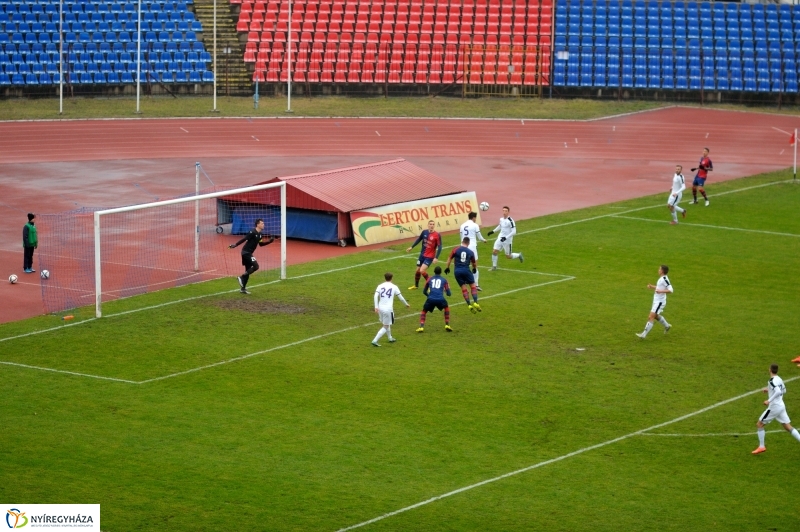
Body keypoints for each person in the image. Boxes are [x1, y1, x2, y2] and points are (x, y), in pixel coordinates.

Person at [752, 364, 800, 454]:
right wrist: (769, 390)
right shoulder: (779, 379)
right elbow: (783, 390)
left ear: (770, 369)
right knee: (788, 427)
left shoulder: (771, 381)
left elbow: (778, 391)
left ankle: (761, 447)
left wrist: (769, 400)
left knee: (759, 424)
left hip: (774, 407)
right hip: (781, 405)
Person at [228, 218, 274, 294]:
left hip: (249, 253)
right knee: (256, 266)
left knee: (248, 270)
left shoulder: (260, 235)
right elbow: (244, 239)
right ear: (258, 224)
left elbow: (261, 244)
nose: (263, 225)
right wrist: (235, 245)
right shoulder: (252, 232)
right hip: (246, 252)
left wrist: (269, 242)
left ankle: (243, 289)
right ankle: (241, 277)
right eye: (262, 223)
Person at [444, 237, 481, 314]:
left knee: (463, 288)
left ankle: (469, 305)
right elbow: (474, 263)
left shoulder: (455, 249)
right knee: (473, 286)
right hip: (466, 270)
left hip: (457, 271)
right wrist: (474, 269)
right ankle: (475, 302)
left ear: (462, 242)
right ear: (468, 243)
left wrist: (447, 268)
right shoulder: (470, 252)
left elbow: (449, 258)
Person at [373, 272, 410, 346]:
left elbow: (375, 296)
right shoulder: (394, 287)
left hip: (380, 308)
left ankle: (390, 338)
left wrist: (376, 306)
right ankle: (375, 340)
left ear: (385, 278)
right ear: (392, 278)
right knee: (386, 326)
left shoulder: (380, 286)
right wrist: (406, 304)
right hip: (388, 309)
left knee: (386, 323)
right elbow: (401, 298)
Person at [636, 265, 673, 339]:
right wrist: (652, 287)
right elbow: (660, 287)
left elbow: (671, 290)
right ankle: (667, 326)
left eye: (659, 269)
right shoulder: (661, 279)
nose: (658, 270)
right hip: (656, 301)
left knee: (650, 317)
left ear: (662, 271)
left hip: (660, 302)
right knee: (655, 316)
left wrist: (660, 291)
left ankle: (643, 334)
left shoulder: (665, 279)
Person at [406, 220, 442, 290]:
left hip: (430, 256)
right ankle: (416, 286)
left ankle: (431, 285)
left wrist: (436, 257)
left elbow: (440, 246)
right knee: (417, 271)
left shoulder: (437, 235)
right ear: (428, 225)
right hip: (422, 255)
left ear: (434, 225)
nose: (431, 225)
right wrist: (412, 247)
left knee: (422, 270)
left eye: (433, 224)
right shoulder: (424, 232)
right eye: (430, 224)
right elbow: (419, 239)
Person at [416, 266, 453, 333]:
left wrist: (429, 296)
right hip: (440, 299)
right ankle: (447, 325)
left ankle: (421, 327)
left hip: (430, 298)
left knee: (424, 311)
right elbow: (449, 294)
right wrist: (446, 290)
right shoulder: (444, 280)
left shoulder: (429, 279)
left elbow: (424, 291)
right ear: (441, 272)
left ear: (434, 272)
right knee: (446, 308)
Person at [487, 206, 523, 270]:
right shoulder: (501, 219)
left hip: (507, 241)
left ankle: (518, 255)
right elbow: (500, 226)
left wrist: (505, 238)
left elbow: (514, 231)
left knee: (508, 256)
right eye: (503, 211)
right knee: (494, 251)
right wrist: (493, 231)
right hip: (500, 238)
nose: (504, 212)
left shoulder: (510, 221)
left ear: (508, 212)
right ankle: (494, 267)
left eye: (506, 211)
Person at [459, 212, 487, 290]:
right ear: (474, 218)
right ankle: (476, 284)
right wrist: (484, 240)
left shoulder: (462, 225)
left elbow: (461, 237)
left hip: (463, 246)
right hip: (472, 247)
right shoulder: (475, 225)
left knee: (464, 265)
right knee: (474, 265)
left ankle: (464, 281)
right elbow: (479, 237)